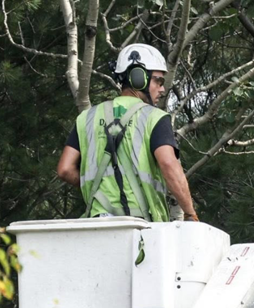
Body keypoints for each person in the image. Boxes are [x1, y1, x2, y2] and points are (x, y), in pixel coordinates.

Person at [57, 43, 198, 222]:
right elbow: (169, 164)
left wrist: (99, 188)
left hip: (98, 224)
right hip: (141, 226)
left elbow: (65, 169)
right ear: (138, 78)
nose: (162, 89)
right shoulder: (155, 118)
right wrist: (189, 212)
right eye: (158, 81)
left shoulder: (87, 118)